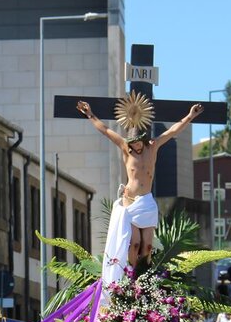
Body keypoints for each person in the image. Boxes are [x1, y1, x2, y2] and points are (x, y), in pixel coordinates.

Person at [77, 99, 203, 281]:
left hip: (147, 201)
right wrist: (90, 114)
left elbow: (173, 131)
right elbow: (105, 130)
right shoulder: (125, 148)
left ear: (143, 139)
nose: (134, 145)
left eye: (137, 142)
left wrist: (190, 116)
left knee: (147, 247)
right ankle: (132, 275)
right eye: (132, 142)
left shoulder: (153, 147)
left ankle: (145, 277)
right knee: (135, 244)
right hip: (131, 201)